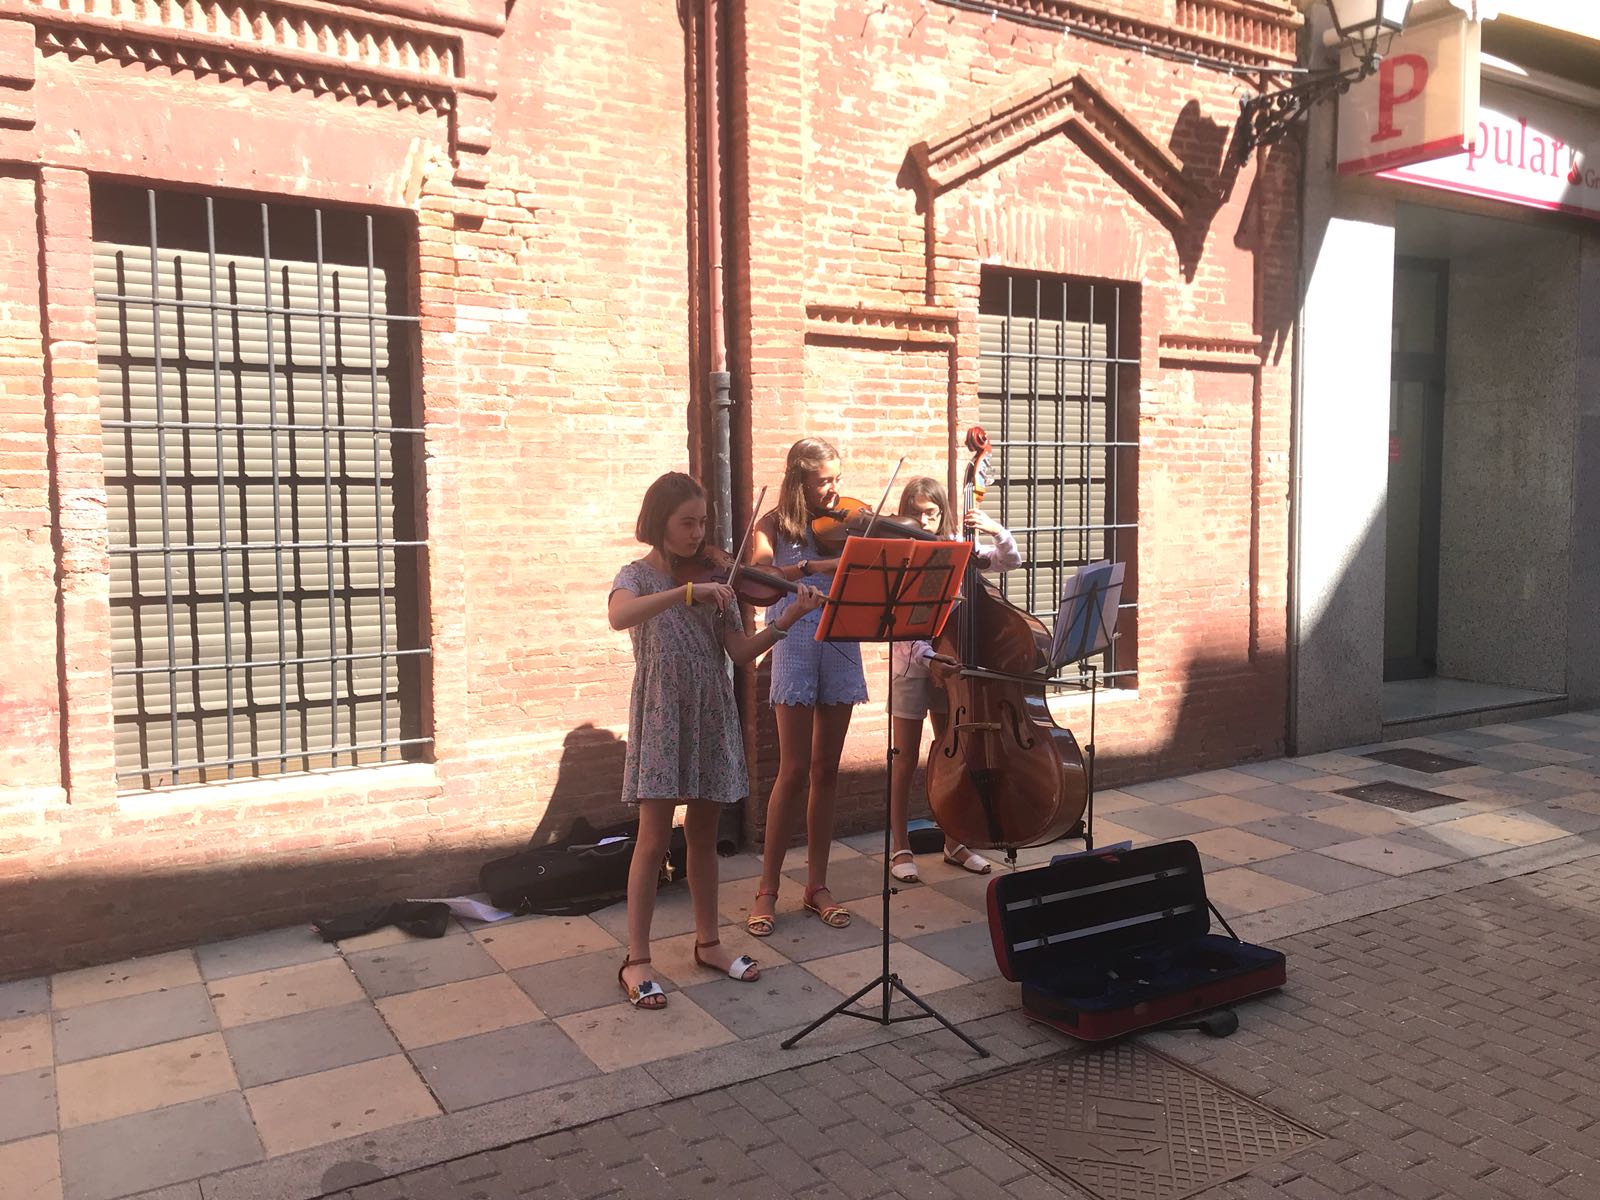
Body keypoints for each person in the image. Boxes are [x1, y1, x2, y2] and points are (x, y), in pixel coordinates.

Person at [609, 471, 825, 1009]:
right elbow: (617, 616)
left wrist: (789, 618)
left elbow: (741, 653)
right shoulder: (637, 575)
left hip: (710, 713)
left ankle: (708, 942)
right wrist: (685, 591)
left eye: (702, 522)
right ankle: (636, 960)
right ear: (659, 522)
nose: (696, 533)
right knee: (654, 836)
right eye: (687, 522)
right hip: (662, 715)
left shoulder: (719, 581)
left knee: (703, 834)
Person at [744, 437, 867, 937]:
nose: (835, 491)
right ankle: (767, 889)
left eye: (838, 478)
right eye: (824, 481)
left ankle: (817, 884)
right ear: (799, 479)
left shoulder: (844, 524)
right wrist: (816, 567)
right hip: (794, 642)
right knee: (793, 771)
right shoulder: (771, 525)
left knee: (827, 770)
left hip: (840, 641)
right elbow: (759, 576)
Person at [885, 475, 1022, 884]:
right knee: (903, 758)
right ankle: (899, 846)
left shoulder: (958, 549)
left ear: (943, 512)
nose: (925, 522)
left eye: (931, 513)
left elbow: (1009, 560)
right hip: (912, 666)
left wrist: (997, 530)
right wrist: (930, 659)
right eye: (916, 514)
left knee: (953, 754)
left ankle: (955, 841)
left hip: (953, 666)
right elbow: (903, 627)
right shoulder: (901, 554)